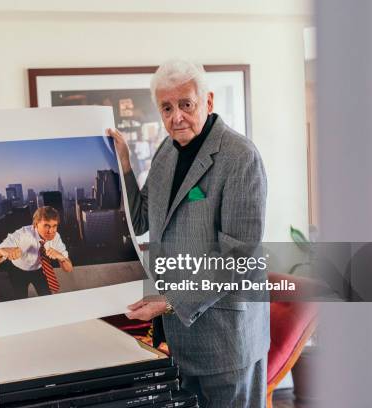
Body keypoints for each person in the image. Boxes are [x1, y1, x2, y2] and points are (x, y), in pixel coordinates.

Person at [108, 59, 269, 408]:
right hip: (178, 339)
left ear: (208, 102)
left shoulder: (241, 157)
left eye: (186, 104)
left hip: (226, 339)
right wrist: (123, 165)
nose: (176, 116)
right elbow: (139, 220)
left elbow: (239, 256)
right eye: (167, 107)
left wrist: (170, 301)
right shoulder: (165, 152)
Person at [0, 206, 73, 299]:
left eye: (54, 226)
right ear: (35, 224)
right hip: (18, 270)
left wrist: (61, 257)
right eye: (46, 226)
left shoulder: (56, 237)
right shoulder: (21, 235)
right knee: (20, 301)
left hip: (40, 269)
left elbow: (68, 269)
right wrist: (1, 251)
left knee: (48, 298)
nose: (51, 231)